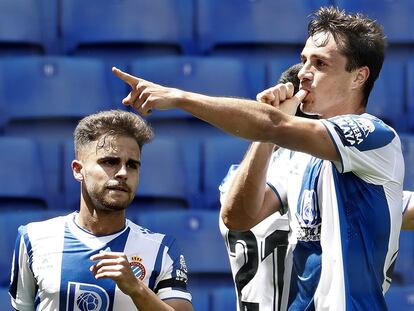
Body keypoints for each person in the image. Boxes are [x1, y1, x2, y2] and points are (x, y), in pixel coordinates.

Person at [114, 5, 404, 310]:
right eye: (304, 60)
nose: (304, 73)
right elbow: (238, 217)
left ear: (359, 77)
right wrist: (269, 136)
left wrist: (179, 98)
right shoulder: (299, 158)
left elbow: (274, 125)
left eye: (320, 64)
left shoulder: (373, 135)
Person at [9, 110, 194, 311]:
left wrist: (136, 289)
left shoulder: (161, 249)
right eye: (110, 161)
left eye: (132, 165)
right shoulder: (33, 238)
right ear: (78, 170)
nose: (123, 173)